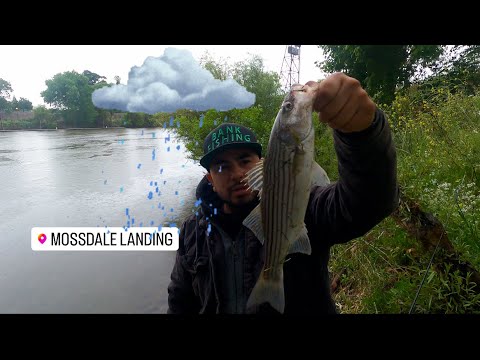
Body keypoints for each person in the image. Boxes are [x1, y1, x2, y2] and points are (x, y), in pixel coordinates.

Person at [167, 72, 399, 314]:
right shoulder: (192, 232)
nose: (236, 174)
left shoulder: (306, 208)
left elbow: (369, 202)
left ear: (263, 163)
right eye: (222, 166)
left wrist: (362, 135)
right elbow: (180, 300)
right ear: (210, 179)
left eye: (245, 160)